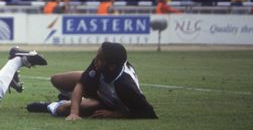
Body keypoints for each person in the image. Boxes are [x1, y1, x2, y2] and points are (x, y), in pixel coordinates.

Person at [26, 41, 158, 119]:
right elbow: (81, 83)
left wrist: (115, 114)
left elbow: (148, 113)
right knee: (57, 79)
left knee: (63, 109)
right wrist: (74, 112)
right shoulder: (99, 63)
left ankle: (50, 105)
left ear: (111, 66)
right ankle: (72, 99)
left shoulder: (124, 84)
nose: (95, 60)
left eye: (99, 58)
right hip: (99, 89)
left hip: (107, 101)